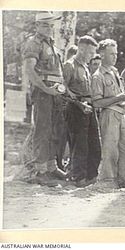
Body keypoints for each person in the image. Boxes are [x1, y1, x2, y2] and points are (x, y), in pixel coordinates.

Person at [22, 11, 67, 185]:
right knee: (43, 129)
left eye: (50, 25)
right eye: (45, 25)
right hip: (43, 92)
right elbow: (30, 71)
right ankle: (39, 171)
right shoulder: (34, 43)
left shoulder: (52, 45)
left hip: (56, 93)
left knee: (55, 129)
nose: (49, 28)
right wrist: (45, 89)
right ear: (37, 26)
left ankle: (51, 166)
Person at [92, 39, 125, 188]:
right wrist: (120, 97)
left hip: (120, 114)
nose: (115, 57)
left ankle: (122, 182)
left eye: (116, 54)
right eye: (111, 54)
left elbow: (118, 95)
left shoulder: (115, 72)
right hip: (109, 115)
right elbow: (97, 103)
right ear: (102, 55)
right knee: (110, 151)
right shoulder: (98, 76)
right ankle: (107, 181)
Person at [63, 35, 101, 187]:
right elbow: (63, 90)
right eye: (90, 52)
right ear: (82, 49)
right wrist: (79, 104)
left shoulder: (85, 67)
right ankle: (78, 177)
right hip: (75, 107)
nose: (92, 56)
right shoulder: (69, 65)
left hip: (88, 106)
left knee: (94, 143)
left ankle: (91, 177)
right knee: (80, 145)